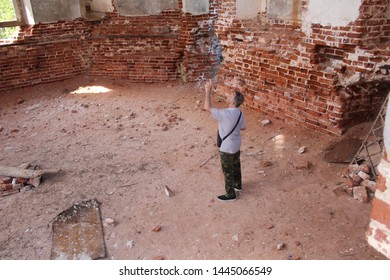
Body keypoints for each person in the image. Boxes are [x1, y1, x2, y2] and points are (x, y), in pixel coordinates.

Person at [204, 79, 246, 202]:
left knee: (227, 170)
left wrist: (208, 91)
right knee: (236, 165)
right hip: (236, 145)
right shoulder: (240, 113)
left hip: (226, 147)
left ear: (232, 102)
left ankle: (230, 194)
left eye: (230, 96)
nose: (228, 95)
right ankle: (238, 185)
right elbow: (243, 127)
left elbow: (207, 107)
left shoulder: (224, 114)